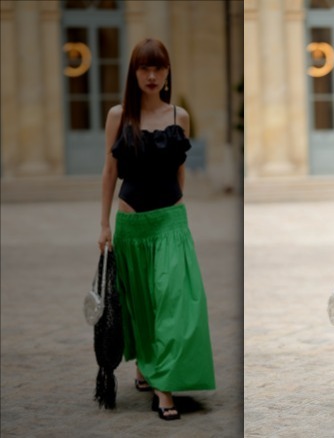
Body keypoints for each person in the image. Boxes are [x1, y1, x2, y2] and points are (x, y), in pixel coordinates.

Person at [98, 38, 216, 421]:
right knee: (143, 305)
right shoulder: (119, 116)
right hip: (131, 222)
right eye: (144, 68)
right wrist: (104, 224)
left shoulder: (179, 116)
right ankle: (147, 365)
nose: (152, 75)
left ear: (167, 72)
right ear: (134, 73)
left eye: (159, 68)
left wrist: (177, 208)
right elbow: (110, 172)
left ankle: (165, 389)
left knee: (174, 302)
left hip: (170, 221)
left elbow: (179, 168)